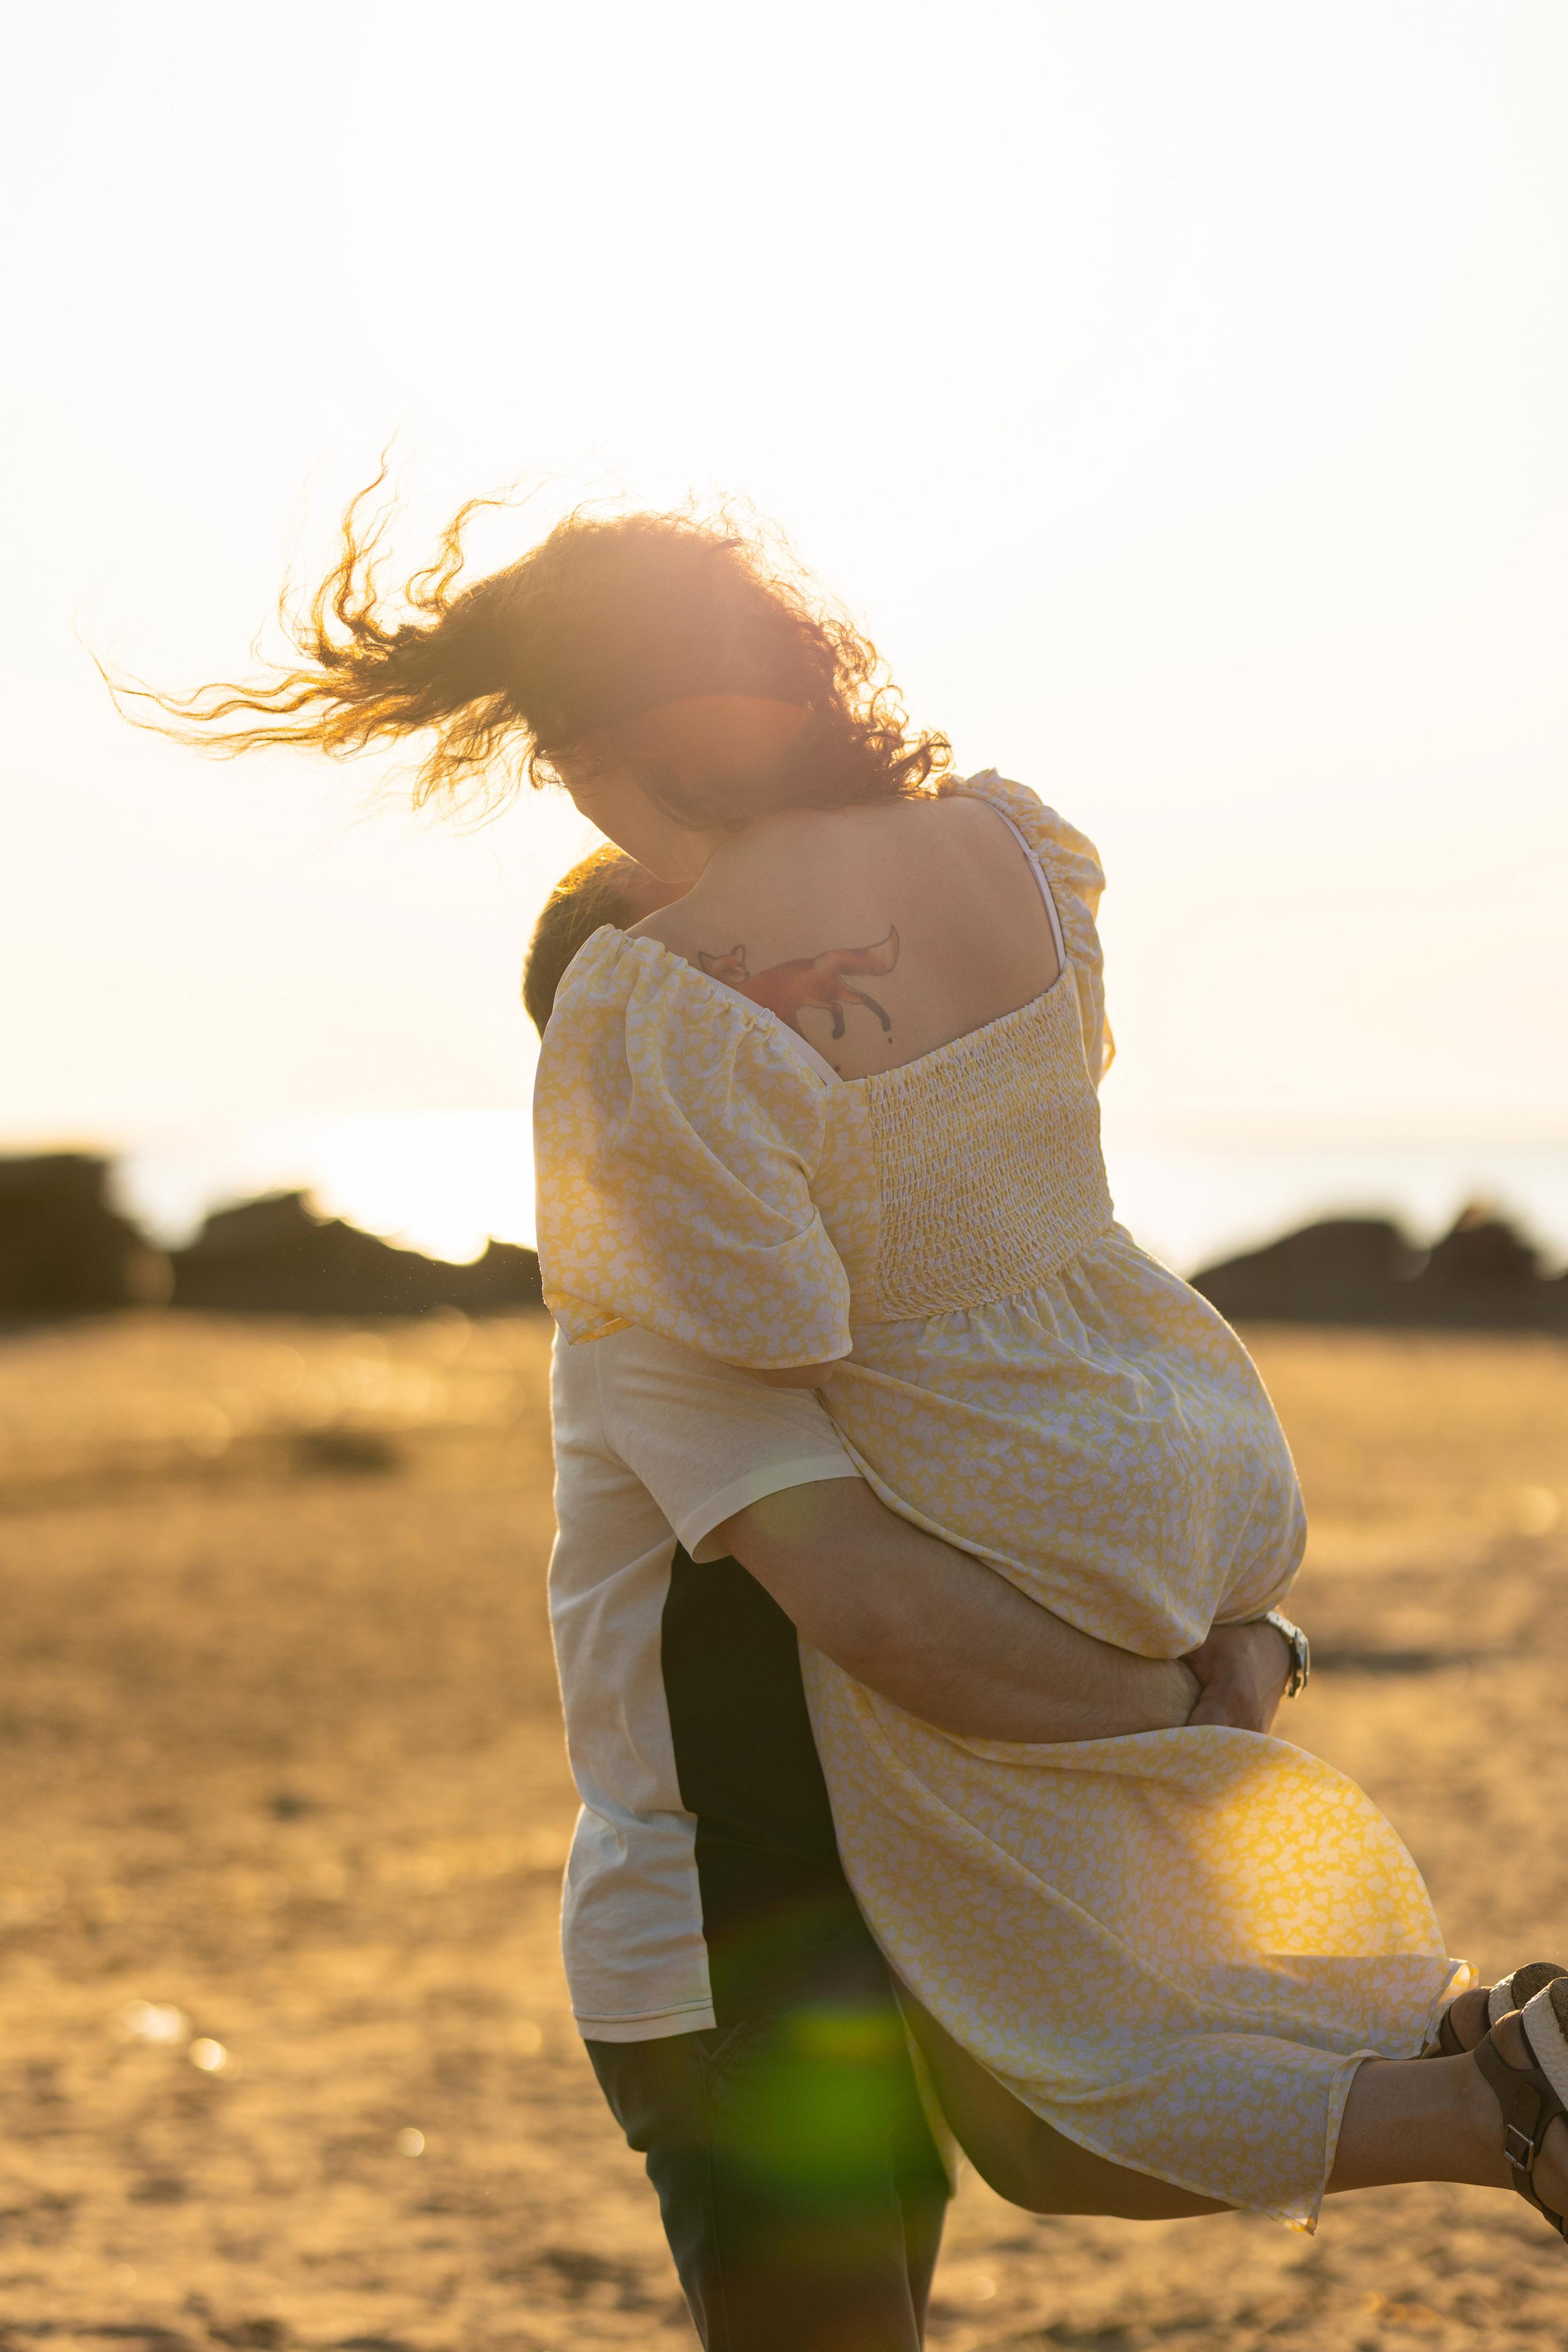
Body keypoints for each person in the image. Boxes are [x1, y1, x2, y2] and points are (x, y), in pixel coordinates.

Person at [140, 486, 1567, 2261]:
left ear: (592, 739)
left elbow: (829, 1471)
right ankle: (1477, 2070)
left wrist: (1196, 1698)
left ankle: (1489, 2083)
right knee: (1054, 2113)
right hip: (1171, 1432)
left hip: (865, 1734)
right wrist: (1242, 1649)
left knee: (1062, 2101)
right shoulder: (1017, 852)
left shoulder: (657, 1044)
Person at [527, 850, 1296, 2348]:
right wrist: (1183, 1710)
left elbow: (1040, 1529)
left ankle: (1485, 2084)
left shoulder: (849, 1300)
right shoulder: (650, 1319)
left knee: (1048, 2165)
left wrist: (1255, 1634)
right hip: (731, 1938)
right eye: (719, 978)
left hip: (908, 1897)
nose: (788, 1011)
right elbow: (882, 1614)